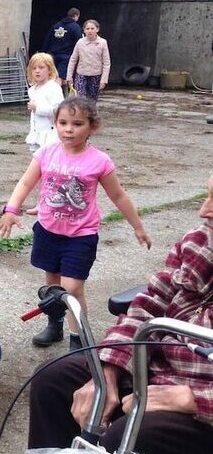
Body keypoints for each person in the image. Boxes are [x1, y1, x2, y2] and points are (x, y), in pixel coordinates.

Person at [27, 174, 213, 454]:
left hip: (201, 396)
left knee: (130, 436)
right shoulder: (200, 241)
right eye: (208, 195)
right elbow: (151, 302)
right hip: (156, 367)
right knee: (53, 381)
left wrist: (194, 399)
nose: (204, 210)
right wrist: (109, 369)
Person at [0, 97, 152, 350]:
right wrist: (11, 209)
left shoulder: (99, 161)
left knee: (71, 288)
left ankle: (78, 339)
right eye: (63, 122)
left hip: (81, 235)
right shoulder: (46, 153)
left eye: (77, 123)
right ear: (55, 124)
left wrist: (138, 226)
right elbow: (26, 182)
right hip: (48, 230)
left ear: (93, 127)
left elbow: (118, 195)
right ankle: (54, 325)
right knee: (52, 284)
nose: (68, 129)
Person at [25, 52, 64, 153]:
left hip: (50, 133)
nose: (37, 71)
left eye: (41, 68)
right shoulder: (32, 90)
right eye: (34, 68)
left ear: (49, 70)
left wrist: (37, 108)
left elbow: (58, 110)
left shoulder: (53, 88)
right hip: (36, 133)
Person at [66, 19, 110, 102]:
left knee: (92, 100)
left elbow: (106, 63)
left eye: (92, 28)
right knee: (81, 99)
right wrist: (69, 77)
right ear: (84, 30)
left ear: (97, 29)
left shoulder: (103, 43)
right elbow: (73, 60)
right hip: (81, 75)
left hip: (96, 75)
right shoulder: (80, 42)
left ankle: (90, 115)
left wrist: (104, 80)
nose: (90, 31)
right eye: (87, 29)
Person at [42, 7, 82, 87]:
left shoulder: (56, 25)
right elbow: (79, 43)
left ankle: (62, 95)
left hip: (52, 56)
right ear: (76, 16)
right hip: (66, 57)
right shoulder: (75, 27)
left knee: (52, 76)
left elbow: (47, 40)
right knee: (60, 77)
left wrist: (43, 53)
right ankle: (56, 97)